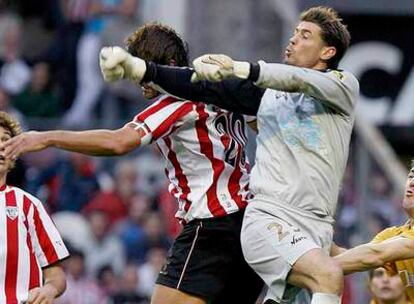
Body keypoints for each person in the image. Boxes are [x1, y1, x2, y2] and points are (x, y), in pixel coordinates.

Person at [96, 6, 359, 304]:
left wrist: (391, 248)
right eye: (295, 32)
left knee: (326, 274)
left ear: (327, 52)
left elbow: (297, 81)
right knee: (327, 276)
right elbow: (204, 88)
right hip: (266, 219)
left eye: (305, 35)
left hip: (313, 224)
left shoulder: (342, 85)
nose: (294, 39)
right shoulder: (270, 96)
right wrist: (141, 70)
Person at [3, 23, 263, 304]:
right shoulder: (224, 94)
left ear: (170, 65)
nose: (141, 83)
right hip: (248, 223)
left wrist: (48, 137)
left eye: (144, 70)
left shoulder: (174, 102)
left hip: (210, 225)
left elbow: (118, 142)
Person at [0, 111, 69, 303]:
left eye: (6, 140)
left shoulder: (28, 205)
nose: (1, 146)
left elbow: (57, 277)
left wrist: (49, 290)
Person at [332, 161, 414, 303]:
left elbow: (374, 255)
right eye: (412, 176)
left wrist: (318, 268)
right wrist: (320, 236)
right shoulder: (393, 234)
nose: (412, 183)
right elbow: (355, 256)